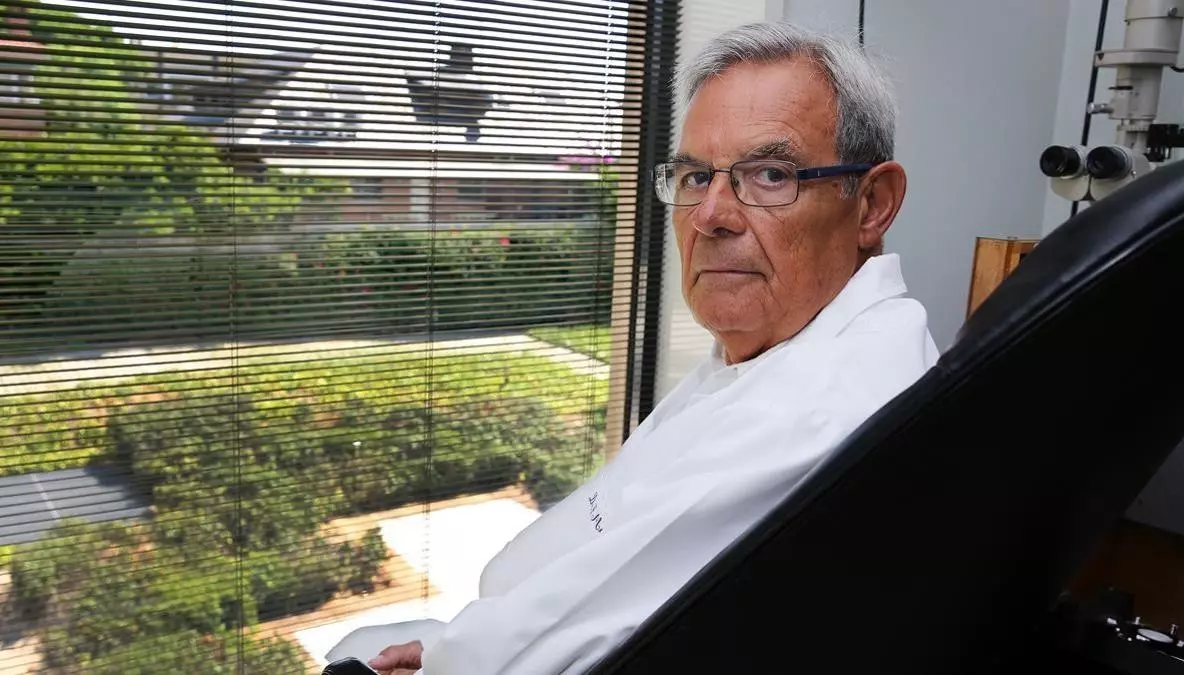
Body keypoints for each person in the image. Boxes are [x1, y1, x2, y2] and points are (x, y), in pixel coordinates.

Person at [369, 20, 939, 675]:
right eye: (695, 177)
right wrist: (458, 646)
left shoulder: (825, 403)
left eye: (770, 174)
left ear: (871, 204)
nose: (711, 215)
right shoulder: (771, 349)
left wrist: (454, 659)